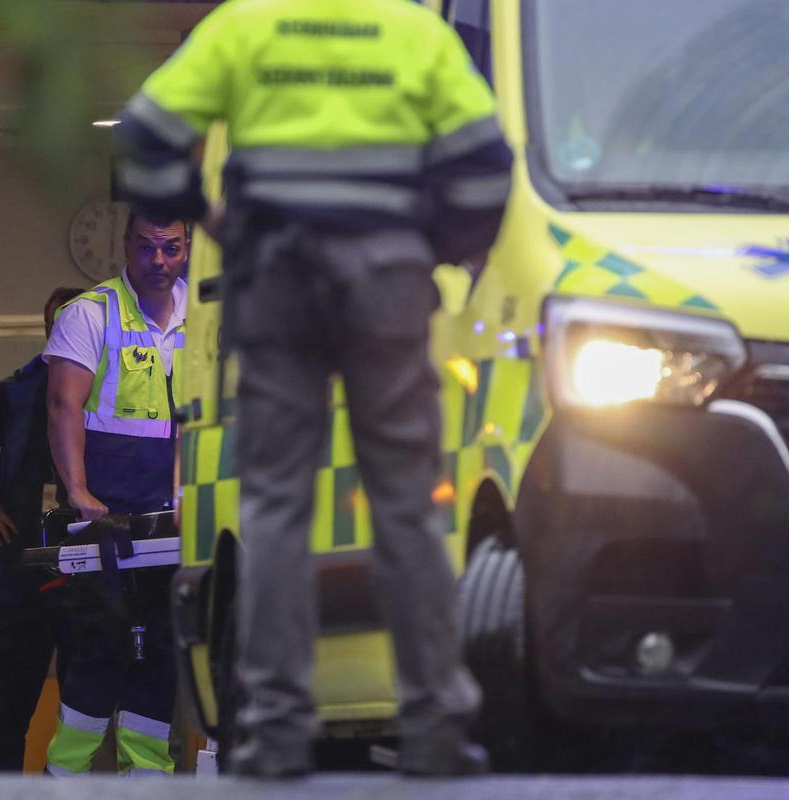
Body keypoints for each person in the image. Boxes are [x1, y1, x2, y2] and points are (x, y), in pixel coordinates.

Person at [112, 0, 514, 778]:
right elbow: (486, 163)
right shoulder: (414, 31)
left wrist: (209, 216)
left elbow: (143, 138)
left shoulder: (245, 26)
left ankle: (274, 730)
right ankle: (435, 727)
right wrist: (432, 244)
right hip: (388, 285)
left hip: (277, 283)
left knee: (275, 507)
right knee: (406, 505)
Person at [42, 213, 189, 777]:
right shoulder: (90, 313)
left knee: (160, 652)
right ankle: (66, 777)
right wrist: (78, 491)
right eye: (147, 248)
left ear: (186, 247)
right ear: (125, 246)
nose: (159, 261)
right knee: (98, 647)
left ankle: (149, 779)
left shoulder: (202, 318)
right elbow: (63, 405)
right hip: (105, 511)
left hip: (171, 511)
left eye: (170, 248)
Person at [0, 286, 83, 772]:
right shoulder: (19, 390)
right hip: (23, 570)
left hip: (88, 572)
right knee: (7, 709)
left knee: (86, 712)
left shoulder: (116, 388)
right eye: (58, 323)